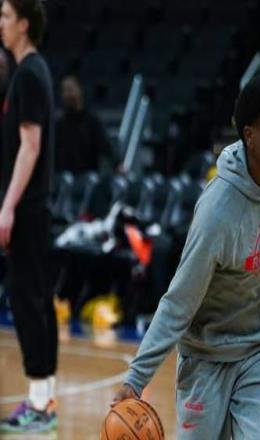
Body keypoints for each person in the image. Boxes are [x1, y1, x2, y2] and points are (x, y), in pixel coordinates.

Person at [112, 75, 260, 440]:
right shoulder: (216, 214)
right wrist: (135, 379)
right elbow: (179, 302)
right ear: (250, 136)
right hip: (206, 357)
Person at [0, 0, 57, 434]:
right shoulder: (28, 72)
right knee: (35, 300)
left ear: (23, 23)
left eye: (4, 15)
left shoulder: (29, 74)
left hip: (28, 209)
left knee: (28, 302)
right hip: (32, 209)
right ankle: (43, 398)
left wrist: (7, 206)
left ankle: (39, 403)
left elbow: (30, 147)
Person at [55, 74, 115, 173]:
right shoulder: (59, 125)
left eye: (70, 89)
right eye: (64, 91)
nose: (67, 94)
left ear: (79, 90)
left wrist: (117, 165)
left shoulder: (92, 121)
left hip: (88, 175)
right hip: (65, 176)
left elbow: (105, 146)